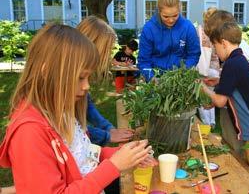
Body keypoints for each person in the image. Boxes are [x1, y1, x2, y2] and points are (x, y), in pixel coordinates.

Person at [0, 24, 154, 193]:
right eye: (80, 77)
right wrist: (113, 166)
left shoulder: (62, 112)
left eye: (87, 77)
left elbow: (86, 155)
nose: (87, 85)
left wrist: (125, 154)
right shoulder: (29, 132)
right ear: (47, 72)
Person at [202, 18, 249, 178]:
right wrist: (219, 82)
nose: (215, 52)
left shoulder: (231, 64)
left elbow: (220, 101)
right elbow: (238, 86)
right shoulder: (240, 59)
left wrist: (201, 87)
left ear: (223, 42)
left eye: (215, 47)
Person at [77, 16, 134, 145]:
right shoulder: (70, 79)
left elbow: (87, 105)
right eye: (107, 51)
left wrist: (108, 129)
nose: (108, 56)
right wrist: (106, 136)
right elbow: (73, 132)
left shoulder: (82, 75)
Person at [138, 0, 200, 82]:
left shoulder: (188, 27)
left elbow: (194, 54)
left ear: (180, 9)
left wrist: (184, 73)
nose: (171, 20)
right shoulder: (149, 29)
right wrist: (151, 78)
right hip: (156, 78)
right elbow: (144, 60)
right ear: (159, 11)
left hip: (180, 80)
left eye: (175, 15)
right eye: (166, 16)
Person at [196, 12, 221, 128]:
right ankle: (212, 122)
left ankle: (206, 123)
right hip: (215, 68)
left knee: (202, 94)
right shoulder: (218, 32)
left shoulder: (200, 30)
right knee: (211, 94)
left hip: (203, 67)